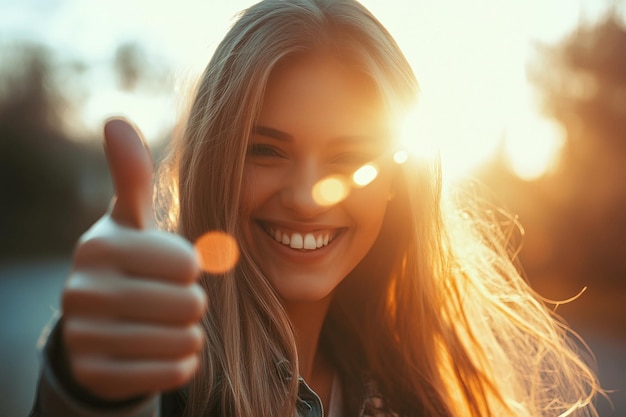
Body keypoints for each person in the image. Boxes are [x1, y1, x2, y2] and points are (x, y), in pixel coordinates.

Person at [29, 0, 603, 416]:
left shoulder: (409, 386)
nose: (307, 196)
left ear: (398, 183)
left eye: (349, 158)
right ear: (215, 161)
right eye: (266, 150)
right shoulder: (173, 378)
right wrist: (82, 389)